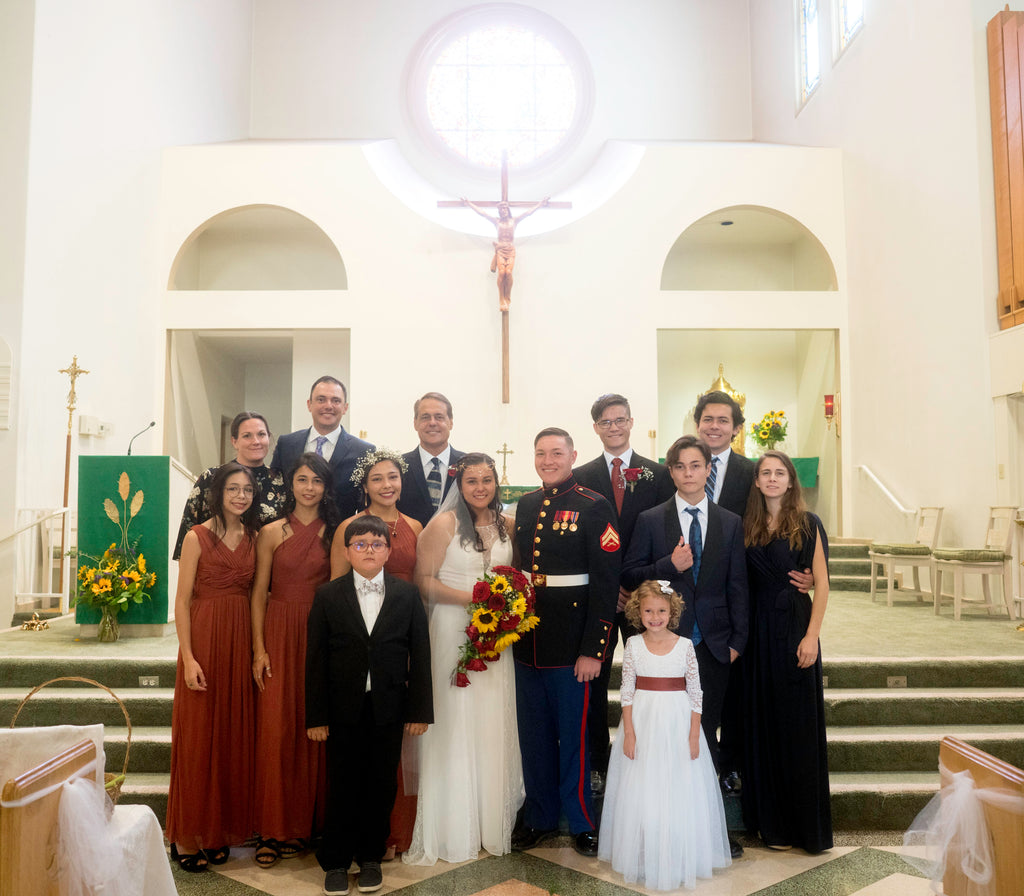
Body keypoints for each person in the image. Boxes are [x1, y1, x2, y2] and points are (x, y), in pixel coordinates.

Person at [622, 435, 748, 859]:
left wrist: (736, 642)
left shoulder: (729, 521)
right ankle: (661, 826)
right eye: (680, 466)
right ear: (671, 471)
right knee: (665, 737)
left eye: (697, 466)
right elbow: (631, 573)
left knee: (704, 737)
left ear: (708, 470)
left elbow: (737, 586)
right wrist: (666, 567)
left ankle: (709, 829)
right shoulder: (651, 519)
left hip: (712, 647)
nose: (689, 473)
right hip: (663, 649)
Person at [404, 453, 523, 865]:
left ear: (496, 483)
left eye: (487, 480)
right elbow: (424, 582)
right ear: (460, 482)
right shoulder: (444, 524)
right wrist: (477, 600)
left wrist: (506, 608)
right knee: (455, 724)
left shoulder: (508, 525)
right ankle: (454, 827)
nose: (480, 488)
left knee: (491, 723)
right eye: (471, 481)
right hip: (453, 629)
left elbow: (516, 577)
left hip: (496, 637)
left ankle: (490, 822)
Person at [695, 390, 811, 807]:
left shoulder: (751, 471)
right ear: (697, 424)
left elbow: (780, 526)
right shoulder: (683, 466)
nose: (714, 426)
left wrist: (804, 568)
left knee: (740, 694)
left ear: (737, 428)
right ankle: (701, 762)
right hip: (697, 601)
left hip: (744, 597)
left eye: (723, 420)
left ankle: (734, 766)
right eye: (708, 419)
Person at [305, 515, 433, 896]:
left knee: (380, 783)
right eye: (360, 544)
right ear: (347, 551)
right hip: (342, 707)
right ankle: (336, 861)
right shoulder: (328, 595)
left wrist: (419, 710)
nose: (368, 550)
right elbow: (314, 660)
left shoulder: (406, 594)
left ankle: (372, 857)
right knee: (343, 783)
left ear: (389, 551)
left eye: (377, 544)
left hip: (389, 706)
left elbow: (420, 654)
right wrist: (317, 716)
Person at [511, 428, 621, 858]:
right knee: (533, 736)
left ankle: (580, 820)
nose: (548, 459)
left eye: (557, 452)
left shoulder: (594, 506)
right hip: (528, 642)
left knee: (573, 740)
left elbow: (606, 584)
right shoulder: (526, 504)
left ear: (573, 455)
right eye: (541, 453)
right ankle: (539, 816)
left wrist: (594, 650)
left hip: (572, 643)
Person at [598, 581, 731, 891]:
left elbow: (696, 692)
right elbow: (626, 692)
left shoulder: (685, 646)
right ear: (637, 612)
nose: (654, 616)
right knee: (643, 789)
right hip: (642, 723)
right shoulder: (632, 645)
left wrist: (694, 735)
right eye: (648, 611)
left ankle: (678, 853)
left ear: (672, 612)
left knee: (676, 788)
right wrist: (628, 733)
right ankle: (644, 854)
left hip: (677, 724)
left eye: (661, 610)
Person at [573, 393, 673, 794]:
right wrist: (608, 587)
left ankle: (648, 758)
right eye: (605, 422)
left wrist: (634, 588)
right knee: (593, 682)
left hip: (645, 598)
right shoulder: (579, 475)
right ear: (595, 427)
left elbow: (666, 530)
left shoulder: (658, 473)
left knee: (649, 676)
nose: (613, 427)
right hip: (598, 596)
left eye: (619, 420)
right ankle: (598, 762)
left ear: (631, 422)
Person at [329, 447, 424, 860]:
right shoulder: (349, 527)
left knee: (395, 741)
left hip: (400, 629)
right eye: (378, 479)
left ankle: (393, 830)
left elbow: (419, 582)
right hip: (359, 637)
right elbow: (336, 593)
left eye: (393, 478)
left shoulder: (417, 525)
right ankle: (352, 840)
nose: (388, 486)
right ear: (364, 485)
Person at [165, 462, 259, 873]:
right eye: (233, 489)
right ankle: (186, 836)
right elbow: (182, 602)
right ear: (218, 492)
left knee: (231, 735)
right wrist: (188, 658)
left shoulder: (255, 537)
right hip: (203, 639)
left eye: (247, 490)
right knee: (199, 739)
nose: (241, 496)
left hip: (239, 641)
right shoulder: (196, 535)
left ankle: (217, 831)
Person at [250, 453, 340, 868]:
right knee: (277, 728)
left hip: (320, 632)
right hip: (279, 630)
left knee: (316, 725)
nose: (308, 488)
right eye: (302, 480)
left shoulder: (336, 532)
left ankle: (308, 825)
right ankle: (272, 827)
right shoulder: (269, 532)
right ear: (291, 484)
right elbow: (258, 593)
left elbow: (339, 591)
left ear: (326, 486)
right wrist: (259, 647)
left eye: (316, 481)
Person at [742, 450, 833, 854]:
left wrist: (811, 636)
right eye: (766, 473)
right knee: (762, 723)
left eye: (781, 473)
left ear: (791, 481)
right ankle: (771, 826)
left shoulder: (808, 524)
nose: (774, 479)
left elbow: (823, 586)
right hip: (757, 630)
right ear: (757, 481)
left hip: (795, 626)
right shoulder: (747, 524)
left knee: (796, 726)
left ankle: (804, 828)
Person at [173, 411, 285, 559]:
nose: (256, 441)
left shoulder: (281, 481)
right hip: (219, 569)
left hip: (270, 569)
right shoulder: (212, 478)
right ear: (234, 441)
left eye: (261, 434)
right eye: (247, 436)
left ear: (269, 438)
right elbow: (188, 534)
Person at [270, 376, 374, 520]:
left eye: (336, 400)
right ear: (309, 404)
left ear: (345, 408)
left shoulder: (364, 451)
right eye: (321, 399)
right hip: (290, 531)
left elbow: (366, 504)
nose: (328, 406)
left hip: (340, 535)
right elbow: (276, 490)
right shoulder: (286, 444)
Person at [462, 197, 550, 310]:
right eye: (500, 210)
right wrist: (469, 203)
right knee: (501, 273)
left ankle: (507, 297)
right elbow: (483, 213)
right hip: (500, 250)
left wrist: (540, 204)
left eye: (504, 209)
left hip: (510, 250)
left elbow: (528, 213)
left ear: (507, 210)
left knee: (508, 272)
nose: (502, 212)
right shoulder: (496, 221)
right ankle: (501, 298)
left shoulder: (514, 221)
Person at [397, 392, 465, 528]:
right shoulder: (398, 466)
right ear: (415, 423)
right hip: (411, 546)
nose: (432, 423)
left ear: (451, 422)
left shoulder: (467, 464)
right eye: (425, 417)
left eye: (439, 417)